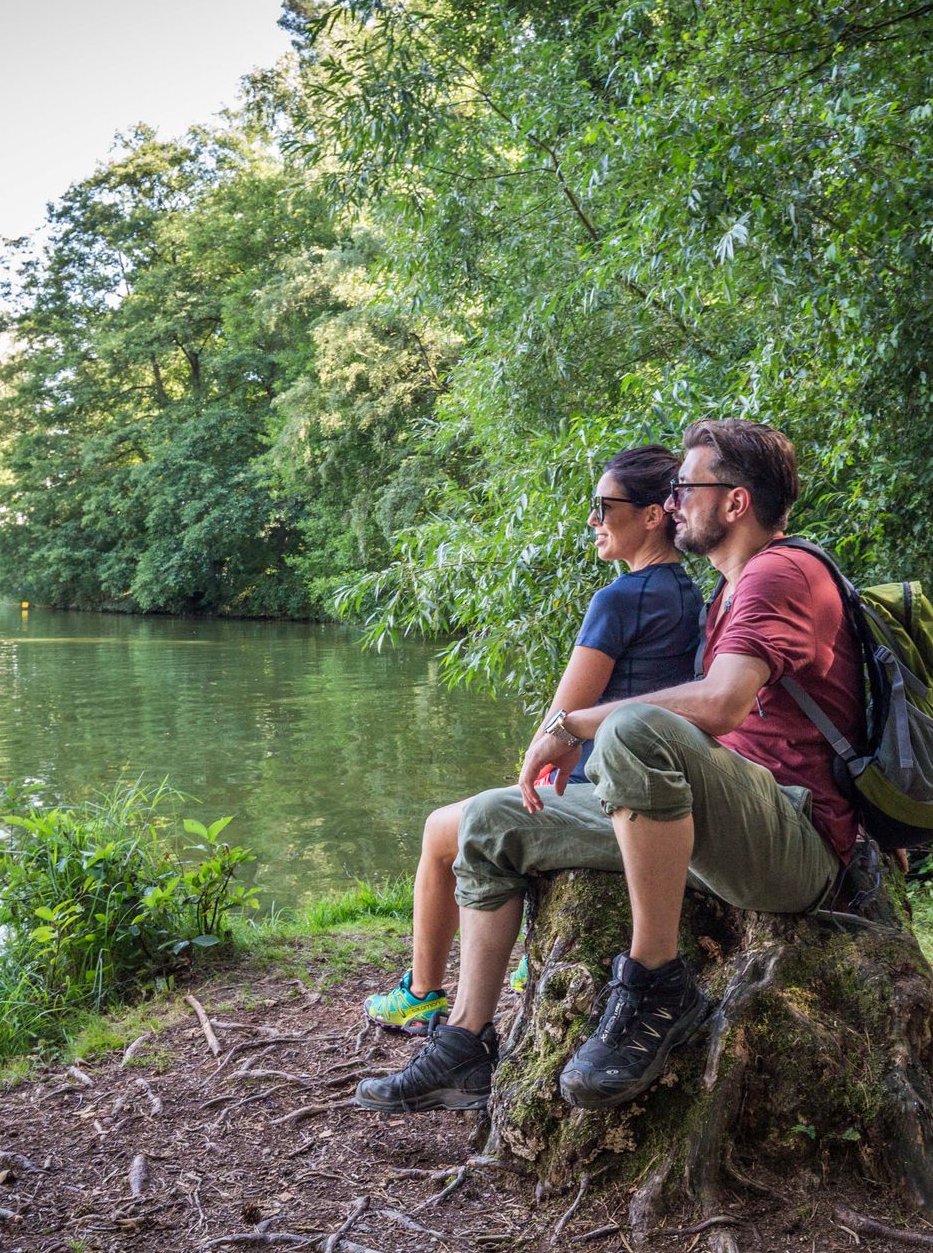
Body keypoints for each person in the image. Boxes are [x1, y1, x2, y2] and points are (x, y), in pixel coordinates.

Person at [354, 417, 862, 1114]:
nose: (674, 502)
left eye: (686, 487)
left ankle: (655, 984)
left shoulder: (781, 572)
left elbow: (722, 704)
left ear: (735, 502)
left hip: (792, 843)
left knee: (631, 728)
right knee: (489, 822)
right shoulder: (726, 590)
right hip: (726, 825)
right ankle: (465, 1045)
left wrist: (576, 724)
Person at [362, 445, 704, 1035]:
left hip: (603, 793)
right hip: (644, 792)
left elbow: (560, 720)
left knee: (440, 830)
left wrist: (534, 766)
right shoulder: (686, 592)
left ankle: (421, 993)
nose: (593, 519)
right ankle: (526, 960)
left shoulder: (620, 599)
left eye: (604, 506)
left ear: (652, 516)